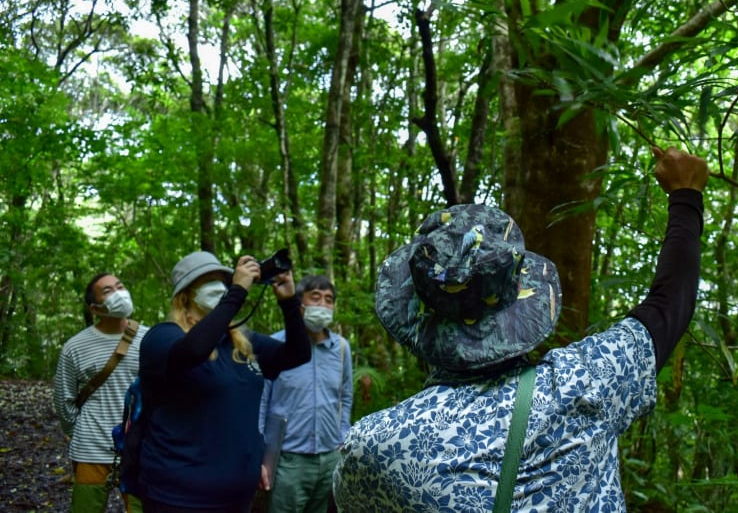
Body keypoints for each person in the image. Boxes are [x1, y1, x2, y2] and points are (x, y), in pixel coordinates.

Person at [332, 146, 708, 511]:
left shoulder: (372, 448)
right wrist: (685, 196)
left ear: (415, 315)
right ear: (522, 298)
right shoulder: (587, 383)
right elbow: (669, 304)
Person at [137, 251, 312, 513]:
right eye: (209, 280)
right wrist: (237, 291)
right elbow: (195, 350)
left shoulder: (241, 343)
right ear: (185, 295)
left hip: (237, 497)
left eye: (224, 279)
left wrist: (289, 302)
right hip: (179, 498)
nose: (220, 286)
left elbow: (298, 354)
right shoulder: (162, 337)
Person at [53, 272, 147, 513]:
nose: (119, 293)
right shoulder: (75, 347)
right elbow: (64, 401)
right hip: (91, 448)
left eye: (120, 286)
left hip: (141, 448)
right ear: (95, 308)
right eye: (108, 291)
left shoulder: (150, 338)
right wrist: (82, 433)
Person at [258, 274, 353, 513]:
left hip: (329, 456)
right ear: (299, 303)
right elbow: (261, 401)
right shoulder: (274, 345)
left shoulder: (341, 348)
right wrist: (259, 453)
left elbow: (345, 396)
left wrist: (342, 436)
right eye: (315, 297)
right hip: (287, 460)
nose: (322, 304)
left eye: (329, 299)